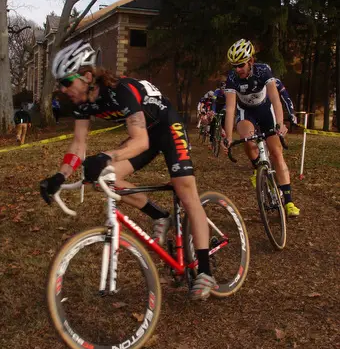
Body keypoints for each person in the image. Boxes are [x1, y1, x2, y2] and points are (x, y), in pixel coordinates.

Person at [39, 40, 216, 300]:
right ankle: (160, 215)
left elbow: (141, 142)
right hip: (142, 133)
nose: (63, 90)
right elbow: (78, 144)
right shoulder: (82, 103)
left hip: (166, 127)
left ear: (87, 76)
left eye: (66, 82)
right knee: (106, 176)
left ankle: (205, 270)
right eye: (60, 85)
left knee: (185, 190)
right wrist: (60, 176)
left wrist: (106, 155)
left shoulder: (120, 91)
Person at [223, 39, 300, 217]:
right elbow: (231, 109)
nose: (237, 69)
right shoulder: (232, 78)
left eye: (240, 65)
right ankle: (257, 170)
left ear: (250, 61)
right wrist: (227, 136)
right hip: (246, 112)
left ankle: (289, 202)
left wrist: (280, 124)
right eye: (234, 66)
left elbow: (274, 98)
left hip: (265, 110)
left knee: (276, 153)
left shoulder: (263, 70)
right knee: (248, 141)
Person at [209, 82, 226, 148]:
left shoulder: (226, 93)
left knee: (224, 121)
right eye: (222, 88)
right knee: (213, 123)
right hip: (216, 107)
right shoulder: (216, 91)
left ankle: (223, 139)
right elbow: (213, 101)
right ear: (220, 88)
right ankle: (211, 142)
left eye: (225, 88)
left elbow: (227, 103)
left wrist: (224, 109)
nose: (223, 90)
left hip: (223, 108)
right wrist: (213, 111)